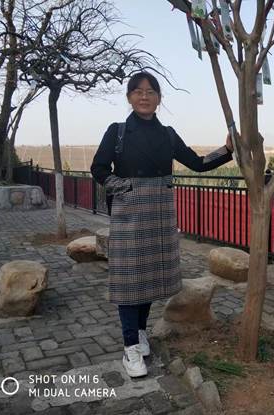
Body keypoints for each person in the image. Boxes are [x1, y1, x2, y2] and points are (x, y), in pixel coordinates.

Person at [90, 72, 234, 378]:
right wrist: (126, 188)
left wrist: (228, 150)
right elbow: (98, 168)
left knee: (148, 280)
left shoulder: (168, 135)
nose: (144, 96)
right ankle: (130, 347)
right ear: (129, 97)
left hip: (159, 214)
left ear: (159, 98)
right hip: (129, 215)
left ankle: (140, 332)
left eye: (151, 91)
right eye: (138, 91)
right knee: (129, 281)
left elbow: (197, 163)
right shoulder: (117, 132)